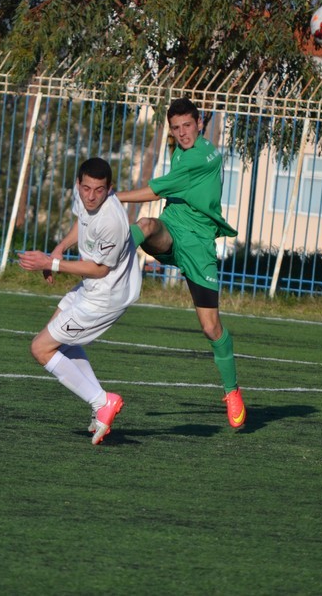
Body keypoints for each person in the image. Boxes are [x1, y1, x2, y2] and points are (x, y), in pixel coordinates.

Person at [116, 97, 246, 429]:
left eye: (188, 125)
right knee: (147, 225)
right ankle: (109, 263)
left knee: (210, 327)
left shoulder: (200, 157)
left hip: (199, 246)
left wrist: (112, 197)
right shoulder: (183, 149)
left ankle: (232, 391)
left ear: (200, 123)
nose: (182, 133)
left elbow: (154, 191)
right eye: (176, 128)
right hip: (173, 231)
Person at [18, 157, 142, 445]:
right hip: (91, 288)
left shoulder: (112, 221)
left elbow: (100, 269)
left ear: (110, 188)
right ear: (78, 184)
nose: (91, 196)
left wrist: (51, 263)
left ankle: (102, 401)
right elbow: (81, 222)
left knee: (40, 348)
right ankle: (101, 406)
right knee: (58, 342)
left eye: (99, 190)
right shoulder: (85, 198)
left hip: (105, 297)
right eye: (86, 188)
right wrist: (60, 248)